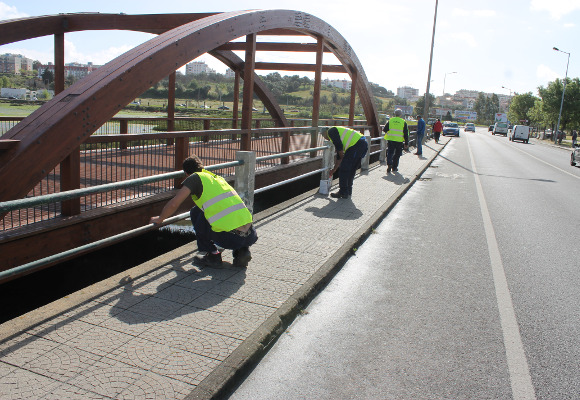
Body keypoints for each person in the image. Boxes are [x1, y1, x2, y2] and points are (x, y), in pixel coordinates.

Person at [150, 155, 258, 267]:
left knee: (196, 213)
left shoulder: (194, 178)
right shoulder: (216, 178)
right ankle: (242, 250)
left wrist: (160, 218)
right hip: (250, 235)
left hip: (230, 239)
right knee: (207, 212)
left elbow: (174, 204)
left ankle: (212, 254)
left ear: (186, 173)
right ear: (202, 168)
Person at [325, 126, 369, 199]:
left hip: (356, 145)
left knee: (344, 170)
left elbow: (339, 147)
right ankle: (348, 191)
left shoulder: (331, 131)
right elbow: (339, 156)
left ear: (324, 133)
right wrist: (334, 169)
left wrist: (343, 158)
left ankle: (343, 192)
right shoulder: (338, 133)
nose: (326, 139)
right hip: (361, 144)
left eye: (323, 136)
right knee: (351, 169)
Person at [382, 109, 409, 174]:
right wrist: (406, 143)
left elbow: (385, 129)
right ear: (401, 114)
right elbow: (406, 133)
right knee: (397, 154)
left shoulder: (390, 120)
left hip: (391, 140)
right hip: (399, 141)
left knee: (390, 152)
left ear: (395, 114)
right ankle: (394, 167)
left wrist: (390, 133)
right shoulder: (403, 122)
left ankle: (389, 164)